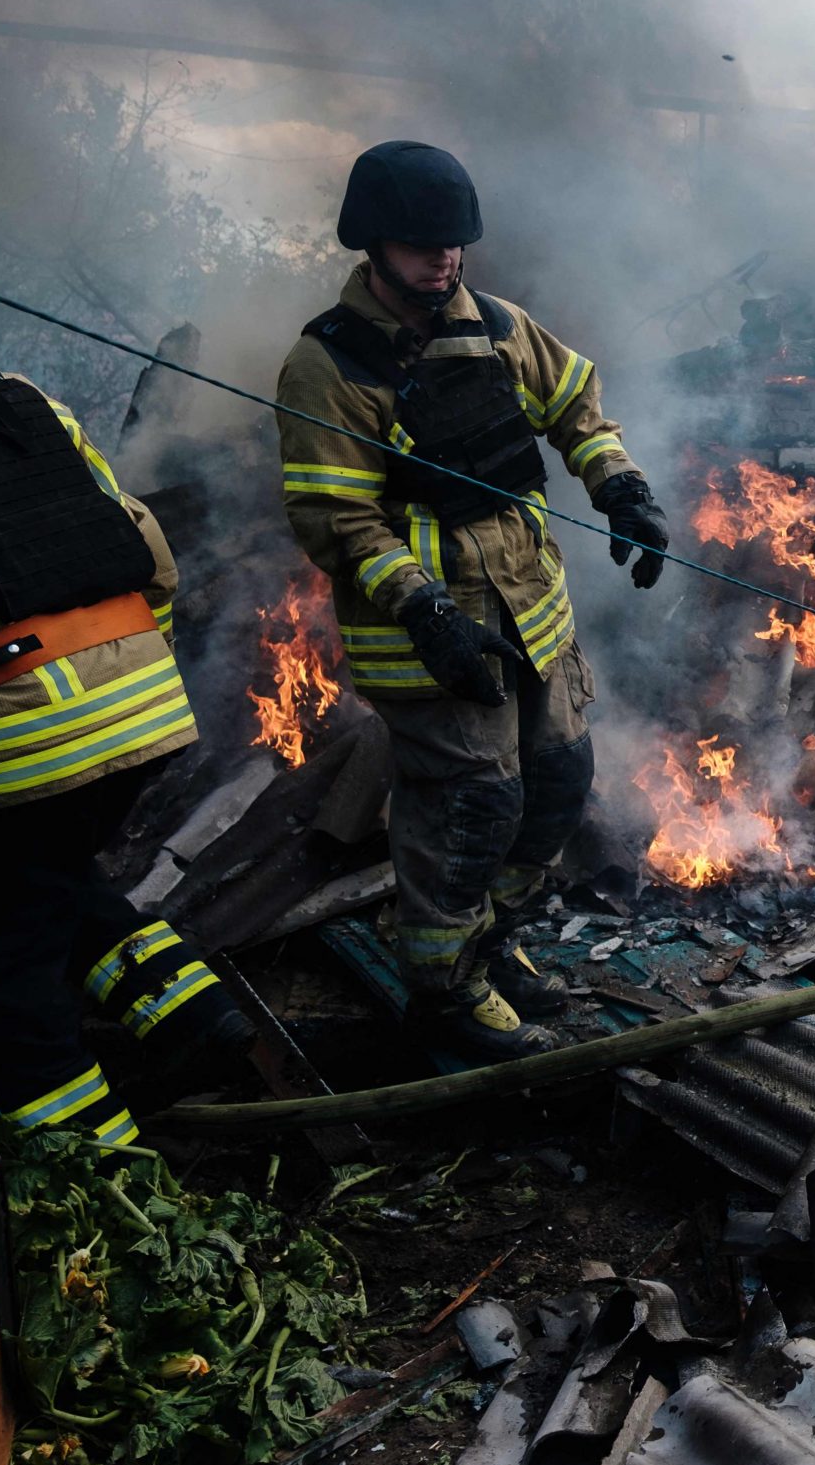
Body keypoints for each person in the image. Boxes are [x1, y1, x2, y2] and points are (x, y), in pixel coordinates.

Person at [276, 142, 670, 1062]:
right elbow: (336, 516)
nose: (443, 260)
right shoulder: (326, 363)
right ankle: (442, 994)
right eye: (421, 246)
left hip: (533, 615)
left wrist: (621, 487)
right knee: (470, 807)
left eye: (453, 243)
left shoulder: (497, 324)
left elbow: (577, 407)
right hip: (429, 633)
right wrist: (423, 610)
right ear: (373, 244)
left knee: (559, 786)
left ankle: (488, 943)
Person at [0, 306, 252, 1151]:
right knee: (39, 876)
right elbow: (150, 549)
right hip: (141, 700)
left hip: (7, 734)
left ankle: (97, 1182)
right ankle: (193, 1016)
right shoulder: (18, 395)